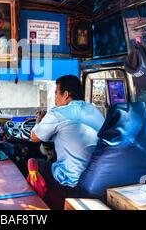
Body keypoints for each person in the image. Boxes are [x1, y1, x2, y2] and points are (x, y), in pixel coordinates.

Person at [30, 75, 105, 209]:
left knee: (34, 163)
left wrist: (38, 121)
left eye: (56, 93)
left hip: (72, 184)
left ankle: (40, 205)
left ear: (65, 94)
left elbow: (34, 137)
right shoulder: (94, 110)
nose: (55, 98)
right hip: (97, 179)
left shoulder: (58, 113)